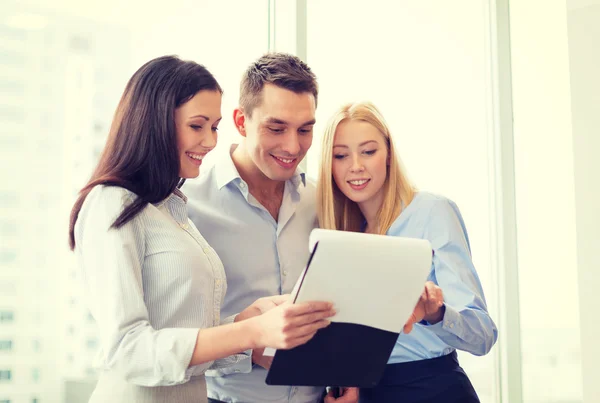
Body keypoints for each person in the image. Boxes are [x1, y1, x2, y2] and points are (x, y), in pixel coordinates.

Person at [68, 55, 336, 403]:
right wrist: (250, 331)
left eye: (213, 126)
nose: (210, 142)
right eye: (197, 126)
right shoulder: (112, 203)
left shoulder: (171, 207)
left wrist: (246, 324)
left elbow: (185, 341)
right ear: (156, 122)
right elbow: (127, 351)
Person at [185, 53, 361, 403]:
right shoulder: (190, 207)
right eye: (276, 128)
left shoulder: (323, 201)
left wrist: (347, 378)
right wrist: (249, 344)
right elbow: (173, 338)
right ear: (240, 121)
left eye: (305, 129)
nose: (293, 146)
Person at [316, 101, 498, 403]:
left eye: (368, 151)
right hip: (370, 393)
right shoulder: (341, 235)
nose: (356, 166)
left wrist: (435, 312)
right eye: (340, 156)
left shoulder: (432, 212)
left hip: (432, 389)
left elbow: (483, 336)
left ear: (388, 154)